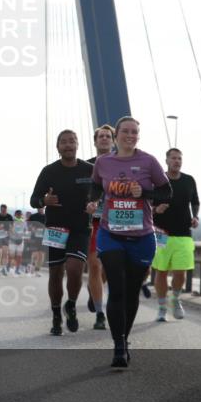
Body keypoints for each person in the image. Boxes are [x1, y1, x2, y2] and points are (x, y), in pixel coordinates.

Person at [88, 117, 171, 367]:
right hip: (110, 233)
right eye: (125, 131)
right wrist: (93, 201)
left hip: (141, 237)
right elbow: (95, 187)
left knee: (132, 292)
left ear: (138, 136)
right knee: (117, 288)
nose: (130, 135)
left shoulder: (149, 161)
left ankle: (124, 338)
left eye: (134, 132)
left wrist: (144, 193)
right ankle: (119, 345)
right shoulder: (103, 162)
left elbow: (166, 192)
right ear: (116, 135)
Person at [30, 130, 94, 336]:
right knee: (56, 273)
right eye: (64, 142)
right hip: (55, 228)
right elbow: (34, 199)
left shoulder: (89, 169)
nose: (68, 145)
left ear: (77, 145)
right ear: (58, 147)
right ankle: (56, 314)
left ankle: (71, 305)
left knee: (75, 269)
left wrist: (95, 203)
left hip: (80, 228)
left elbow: (101, 193)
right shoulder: (49, 171)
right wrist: (43, 201)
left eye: (72, 141)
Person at [151, 148, 200, 321]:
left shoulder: (189, 180)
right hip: (161, 233)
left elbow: (195, 202)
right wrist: (156, 209)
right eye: (173, 158)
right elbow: (146, 205)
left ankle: (176, 298)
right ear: (166, 161)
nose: (177, 161)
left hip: (184, 233)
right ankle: (162, 308)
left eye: (179, 158)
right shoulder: (157, 181)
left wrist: (195, 216)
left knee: (180, 272)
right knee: (161, 272)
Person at [86, 124, 114, 329]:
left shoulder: (123, 164)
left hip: (117, 222)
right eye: (101, 136)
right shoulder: (85, 166)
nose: (104, 138)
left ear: (113, 141)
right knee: (95, 266)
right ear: (95, 141)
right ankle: (100, 313)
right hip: (94, 222)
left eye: (108, 136)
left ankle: (95, 289)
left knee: (110, 267)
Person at [27, 207, 46, 276]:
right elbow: (28, 225)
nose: (39, 209)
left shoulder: (47, 216)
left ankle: (37, 270)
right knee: (35, 254)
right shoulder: (33, 216)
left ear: (44, 208)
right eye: (38, 208)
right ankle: (32, 266)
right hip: (34, 238)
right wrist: (31, 228)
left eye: (41, 207)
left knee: (41, 255)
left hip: (43, 238)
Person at [9, 210, 28, 275]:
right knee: (12, 255)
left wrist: (25, 234)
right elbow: (10, 230)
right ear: (15, 215)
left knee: (19, 256)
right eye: (18, 214)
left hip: (20, 240)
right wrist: (12, 232)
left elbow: (26, 230)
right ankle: (10, 266)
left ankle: (17, 269)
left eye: (20, 214)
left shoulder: (24, 222)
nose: (19, 216)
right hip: (12, 240)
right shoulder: (12, 221)